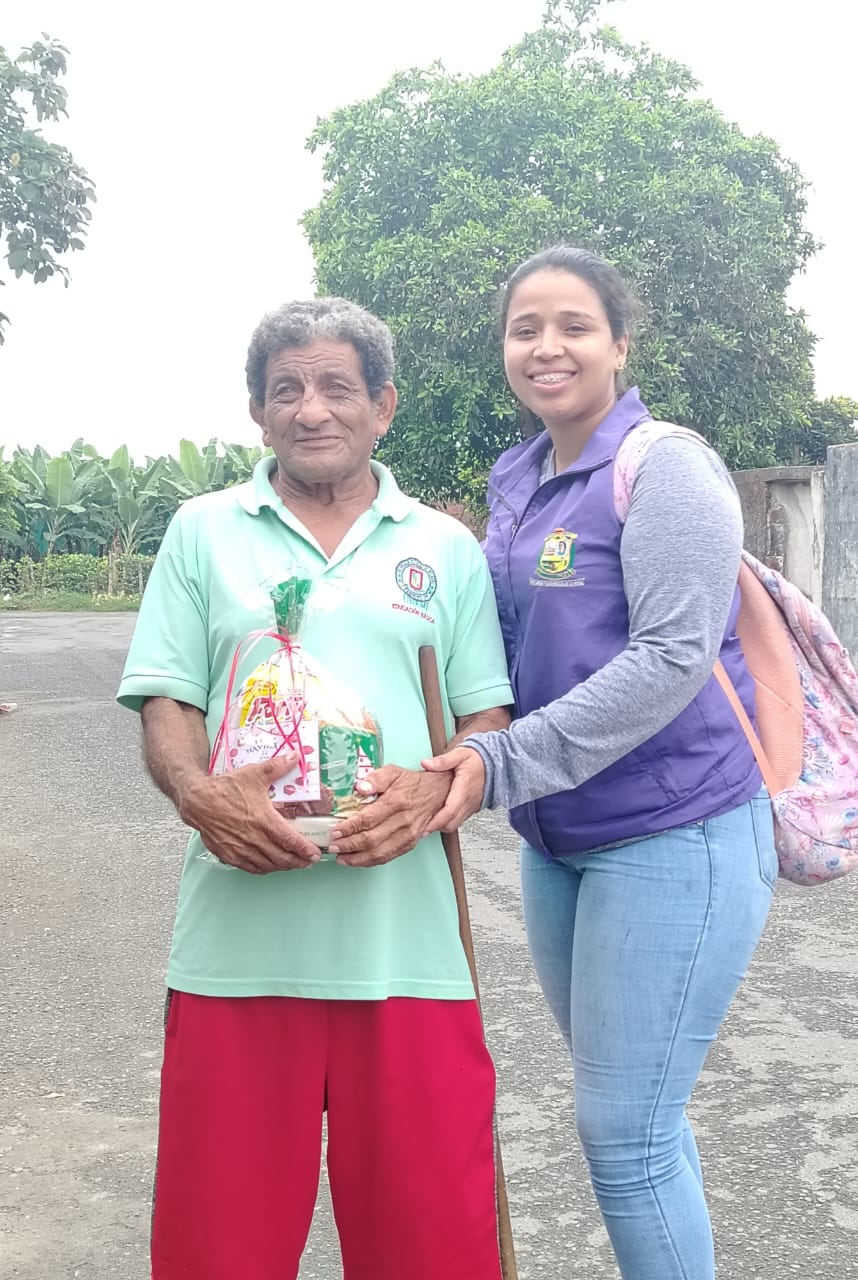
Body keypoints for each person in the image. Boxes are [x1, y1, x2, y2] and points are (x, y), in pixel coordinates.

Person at [329, 247, 778, 1280]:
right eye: (524, 328)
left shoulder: (669, 468)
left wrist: (493, 762)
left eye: (574, 325)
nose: (547, 347)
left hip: (676, 828)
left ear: (620, 343)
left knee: (627, 1134)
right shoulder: (519, 477)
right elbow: (488, 635)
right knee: (637, 1115)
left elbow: (670, 658)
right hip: (561, 840)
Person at [116, 297, 513, 1280]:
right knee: (217, 1249)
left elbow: (486, 719)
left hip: (410, 951)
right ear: (258, 412)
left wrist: (434, 789)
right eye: (285, 388)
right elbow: (166, 698)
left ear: (384, 405)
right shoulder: (203, 532)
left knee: (433, 1248)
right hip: (238, 952)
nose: (311, 408)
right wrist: (198, 794)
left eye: (337, 386)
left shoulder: (443, 547)